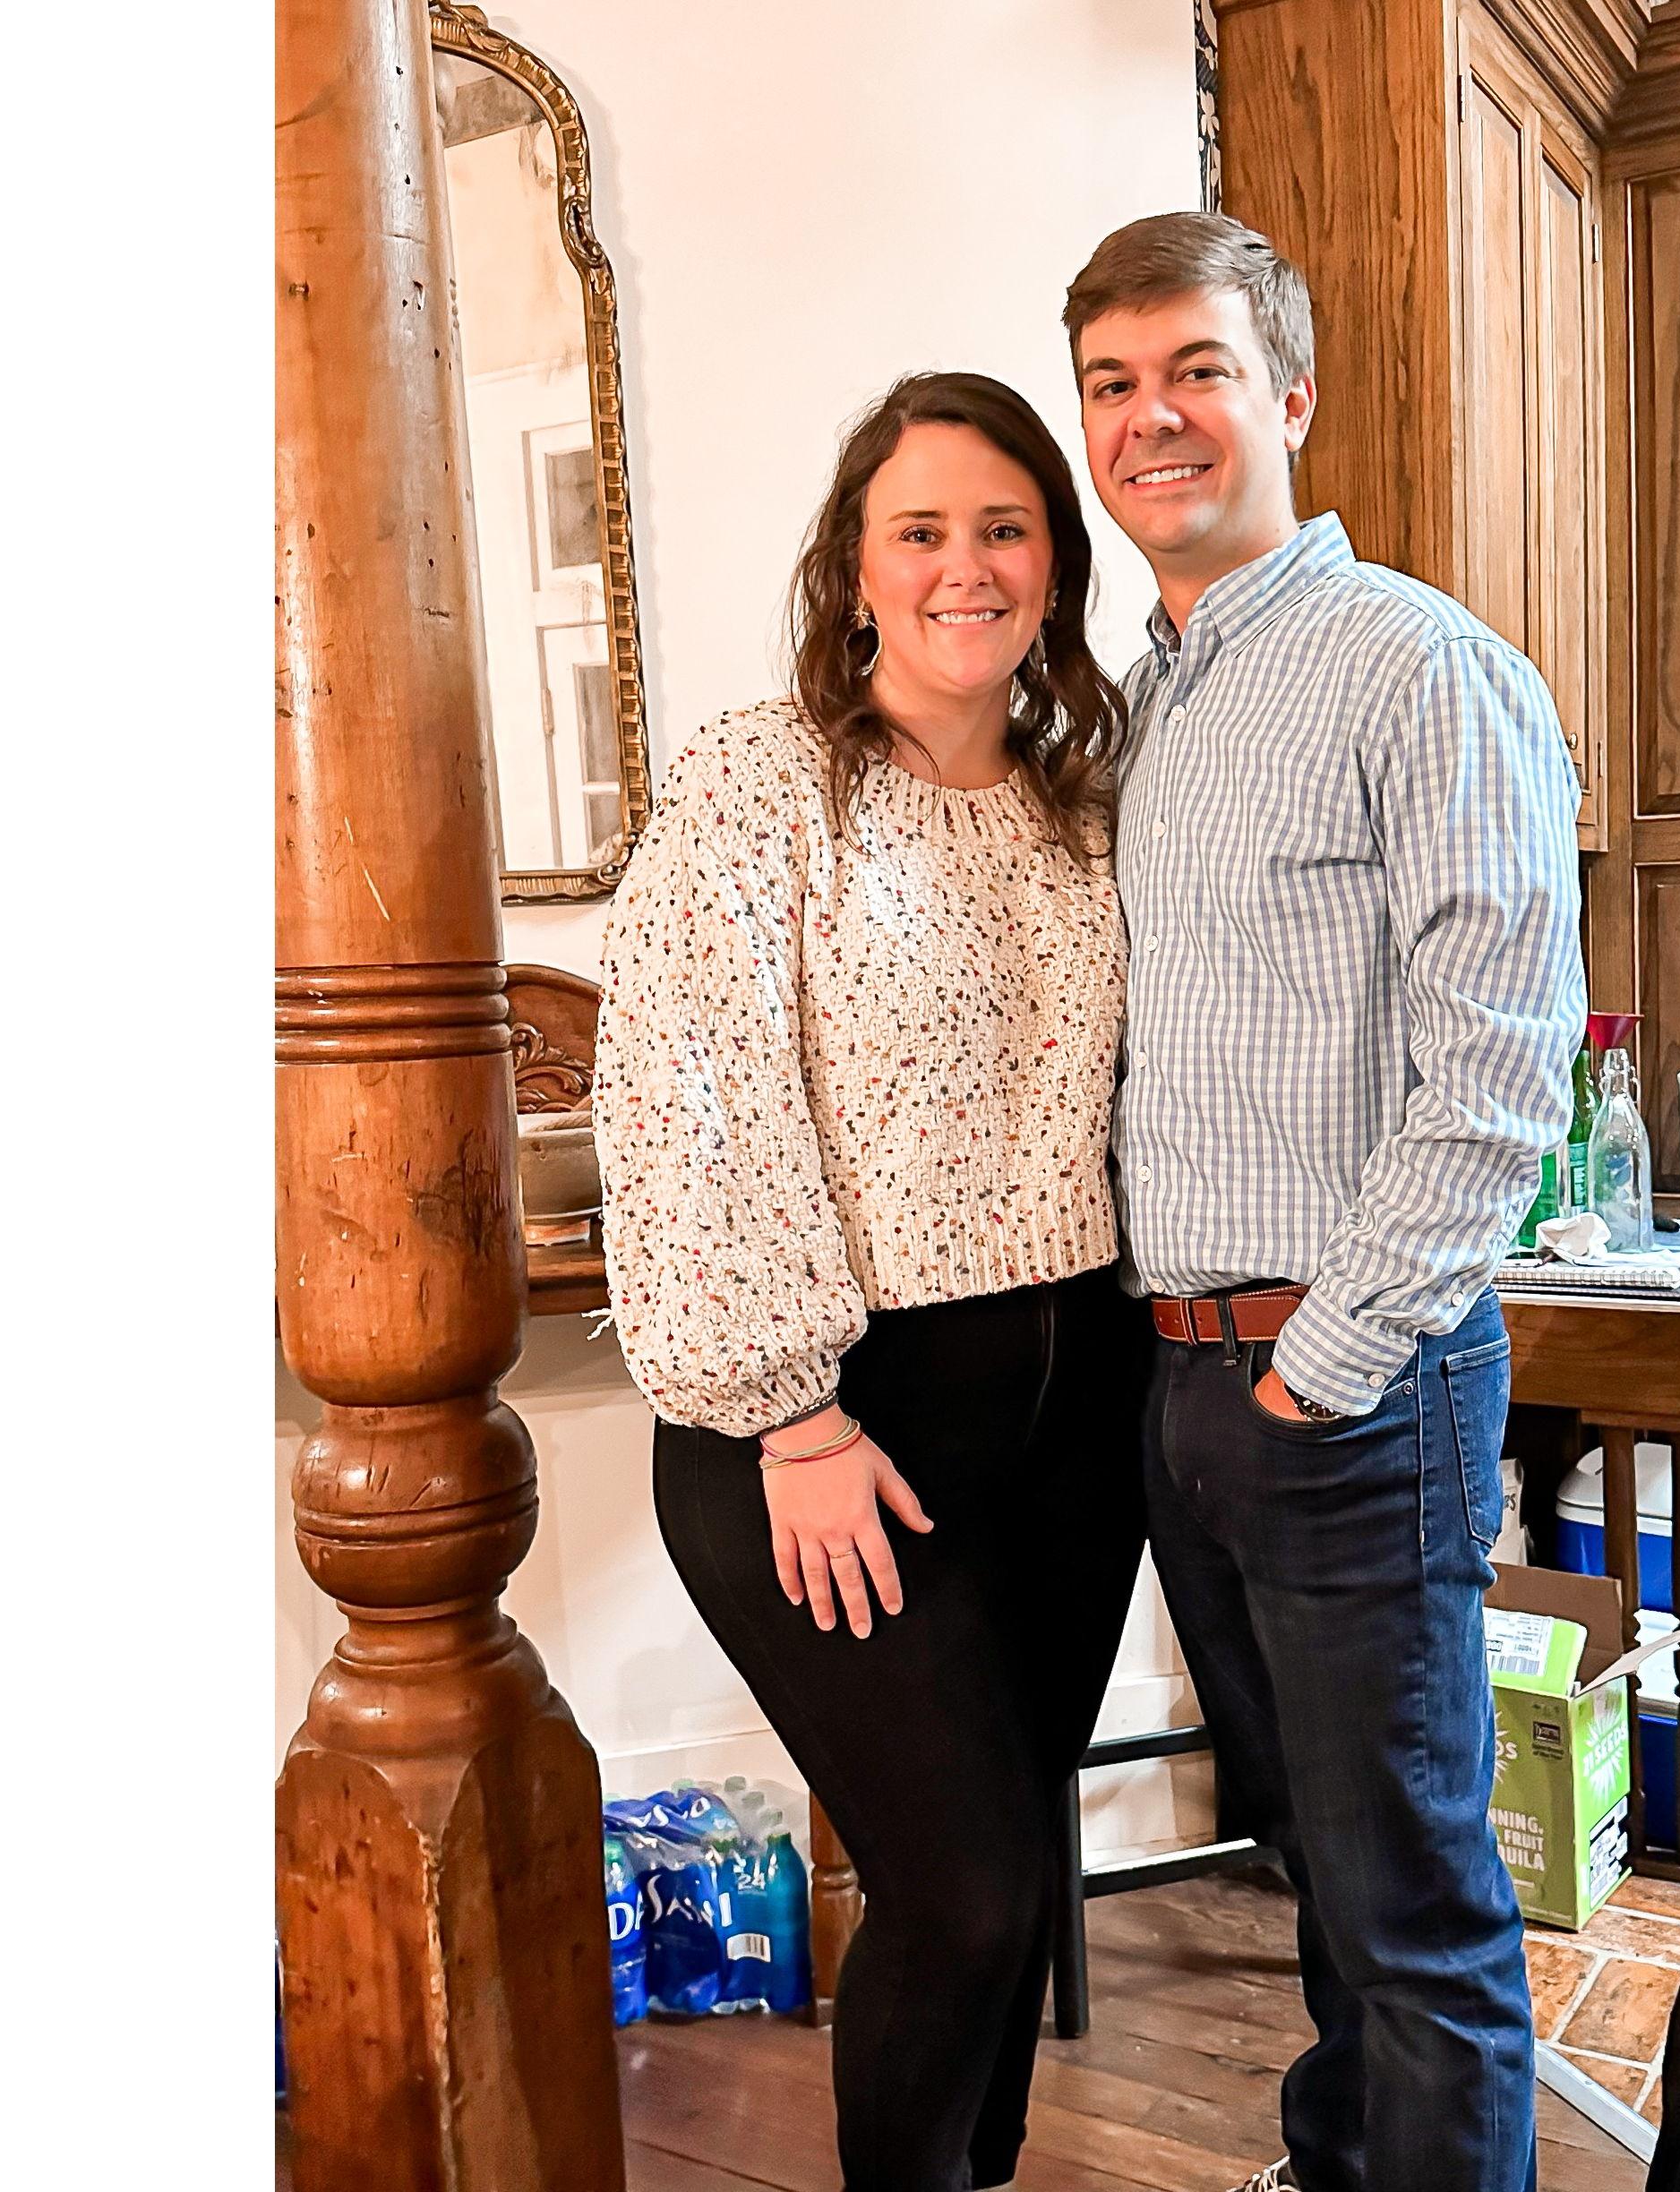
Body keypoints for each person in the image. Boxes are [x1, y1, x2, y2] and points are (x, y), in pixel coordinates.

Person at [1064, 212, 1587, 2192]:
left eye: (1194, 369)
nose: (1151, 417)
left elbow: (1497, 1077)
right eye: (1112, 384)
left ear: (1287, 395)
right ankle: (1341, 2155)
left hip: (1345, 1380)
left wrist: (1323, 1370)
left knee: (1415, 1900)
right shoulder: (1147, 705)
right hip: (1187, 1374)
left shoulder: (1418, 668)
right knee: (1312, 1853)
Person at [593, 372, 1152, 2192]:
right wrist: (796, 1414)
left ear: (1053, 570)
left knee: (1018, 1870)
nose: (962, 566)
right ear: (852, 569)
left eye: (1004, 528)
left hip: (1079, 1413)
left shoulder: (1090, 801)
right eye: (919, 530)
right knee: (962, 1887)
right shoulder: (765, 784)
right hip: (840, 1420)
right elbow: (689, 1095)